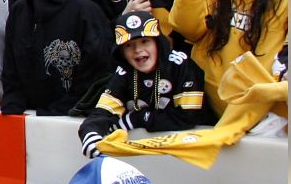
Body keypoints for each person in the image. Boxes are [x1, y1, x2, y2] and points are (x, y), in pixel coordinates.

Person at [78, 11, 211, 159]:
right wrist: (90, 133)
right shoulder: (124, 73)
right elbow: (102, 113)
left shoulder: (180, 65)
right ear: (121, 52)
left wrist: (135, 119)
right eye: (129, 45)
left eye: (145, 41)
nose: (137, 50)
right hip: (150, 157)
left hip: (192, 153)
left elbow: (188, 116)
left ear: (158, 42)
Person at [1, 0, 112, 115]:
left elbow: (96, 70)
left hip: (72, 116)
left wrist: (65, 107)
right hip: (27, 114)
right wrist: (13, 100)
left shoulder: (85, 12)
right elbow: (10, 64)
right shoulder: (19, 11)